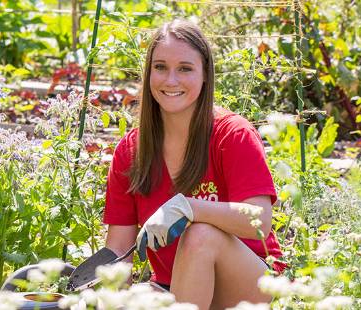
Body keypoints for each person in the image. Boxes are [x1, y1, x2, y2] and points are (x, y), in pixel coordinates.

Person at [102, 19, 285, 310]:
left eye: (185, 69)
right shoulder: (131, 150)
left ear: (204, 75)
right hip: (174, 287)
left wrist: (190, 207)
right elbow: (119, 251)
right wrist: (105, 296)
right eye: (160, 67)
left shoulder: (232, 134)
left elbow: (260, 221)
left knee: (200, 233)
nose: (170, 80)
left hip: (252, 286)